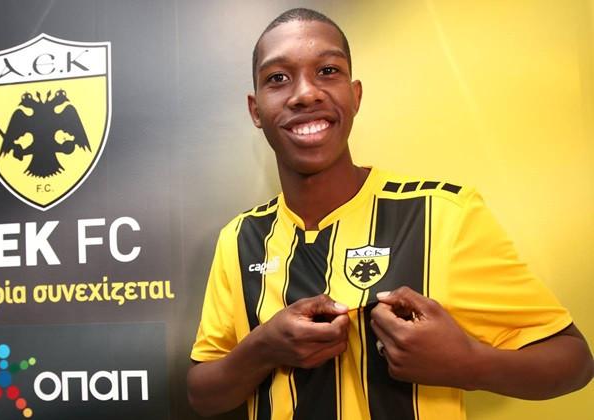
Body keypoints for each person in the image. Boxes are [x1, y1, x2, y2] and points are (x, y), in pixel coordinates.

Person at [187, 8, 593, 420]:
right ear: (256, 110)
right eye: (278, 78)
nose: (305, 93)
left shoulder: (442, 214)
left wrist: (467, 363)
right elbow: (202, 394)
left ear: (355, 95)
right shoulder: (240, 237)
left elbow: (575, 361)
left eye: (327, 71)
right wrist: (263, 348)